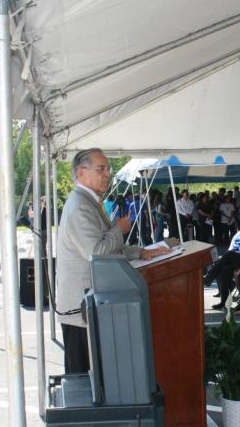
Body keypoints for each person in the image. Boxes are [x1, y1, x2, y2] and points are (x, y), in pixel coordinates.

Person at [55, 148, 171, 373]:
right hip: (80, 312)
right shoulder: (80, 205)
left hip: (91, 305)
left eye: (108, 169)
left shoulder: (90, 201)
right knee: (82, 380)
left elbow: (108, 246)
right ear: (81, 172)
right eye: (101, 169)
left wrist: (141, 253)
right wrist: (119, 229)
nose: (108, 174)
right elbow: (97, 252)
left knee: (95, 379)